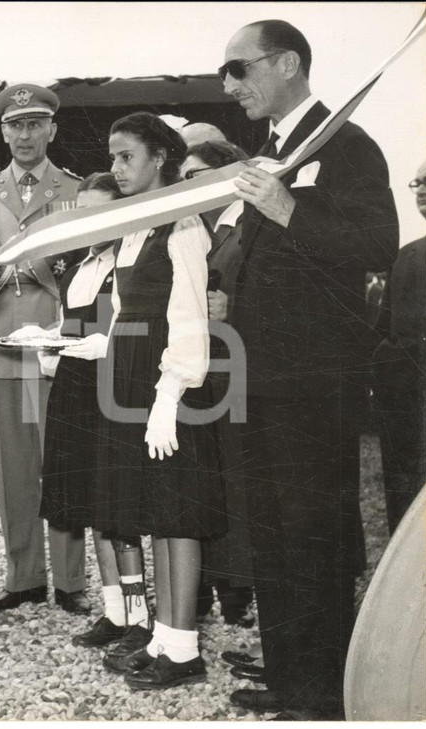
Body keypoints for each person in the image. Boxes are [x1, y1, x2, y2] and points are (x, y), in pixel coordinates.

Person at [220, 20, 398, 719]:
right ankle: (291, 677)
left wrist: (289, 209)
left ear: (288, 62)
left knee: (314, 533)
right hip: (262, 379)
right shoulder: (270, 151)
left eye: (241, 68)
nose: (231, 85)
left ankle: (323, 694)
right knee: (272, 533)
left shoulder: (346, 144)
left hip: (314, 385)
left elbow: (377, 243)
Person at [87, 112, 225, 690]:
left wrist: (171, 391)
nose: (116, 168)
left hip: (169, 379)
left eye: (127, 157)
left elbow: (190, 313)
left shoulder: (183, 223)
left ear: (160, 158)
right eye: (113, 157)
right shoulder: (138, 222)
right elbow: (126, 309)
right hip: (133, 373)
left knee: (179, 511)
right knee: (159, 513)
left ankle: (184, 648)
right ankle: (166, 636)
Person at [27, 173, 154, 649]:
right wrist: (47, 346)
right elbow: (69, 326)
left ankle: (140, 618)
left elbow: (133, 333)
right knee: (93, 503)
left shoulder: (131, 263)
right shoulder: (79, 265)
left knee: (119, 509)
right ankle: (115, 612)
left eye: (99, 211)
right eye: (82, 211)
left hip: (116, 392)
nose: (88, 222)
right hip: (76, 391)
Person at [0, 83, 88, 616]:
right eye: (14, 125)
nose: (24, 134)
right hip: (2, 342)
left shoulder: (75, 191)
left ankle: (69, 581)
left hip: (54, 342)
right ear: (2, 132)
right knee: (14, 469)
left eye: (34, 124)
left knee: (61, 463)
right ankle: (22, 577)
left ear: (51, 130)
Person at [177, 142, 257, 632]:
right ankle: (208, 581)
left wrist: (235, 307)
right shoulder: (200, 229)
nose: (188, 185)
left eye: (197, 174)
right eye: (182, 177)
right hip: (202, 370)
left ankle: (236, 587)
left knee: (235, 481)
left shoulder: (249, 226)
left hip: (236, 369)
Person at [371, 160, 426, 534]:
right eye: (418, 181)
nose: (421, 188)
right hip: (406, 408)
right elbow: (383, 332)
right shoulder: (405, 257)